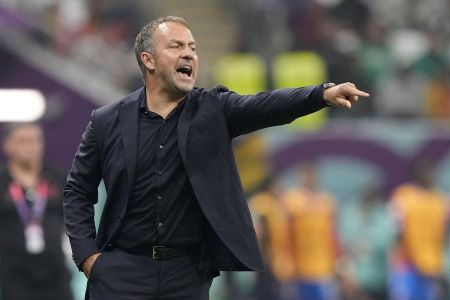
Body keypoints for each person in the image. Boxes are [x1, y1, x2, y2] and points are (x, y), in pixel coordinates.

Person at [63, 16, 369, 300]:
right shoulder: (107, 121)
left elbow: (265, 104)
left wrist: (320, 94)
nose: (189, 54)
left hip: (186, 276)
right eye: (177, 46)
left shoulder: (214, 110)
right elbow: (77, 190)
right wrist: (89, 257)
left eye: (193, 48)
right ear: (148, 59)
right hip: (121, 272)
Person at [0, 123, 73, 300]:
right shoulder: (2, 181)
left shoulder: (58, 178)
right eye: (23, 141)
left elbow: (74, 219)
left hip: (56, 274)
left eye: (35, 140)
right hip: (13, 277)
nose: (30, 146)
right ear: (7, 145)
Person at [387, 159, 447, 300]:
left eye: (430, 171)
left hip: (431, 265)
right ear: (415, 174)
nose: (429, 175)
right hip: (407, 264)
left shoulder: (437, 198)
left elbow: (442, 232)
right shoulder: (403, 196)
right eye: (424, 171)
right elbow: (396, 230)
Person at [281, 162, 341, 300]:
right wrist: (286, 262)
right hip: (299, 270)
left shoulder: (328, 202)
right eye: (306, 174)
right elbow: (285, 235)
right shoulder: (291, 200)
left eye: (312, 174)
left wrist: (338, 259)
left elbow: (333, 235)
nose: (309, 178)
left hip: (324, 269)